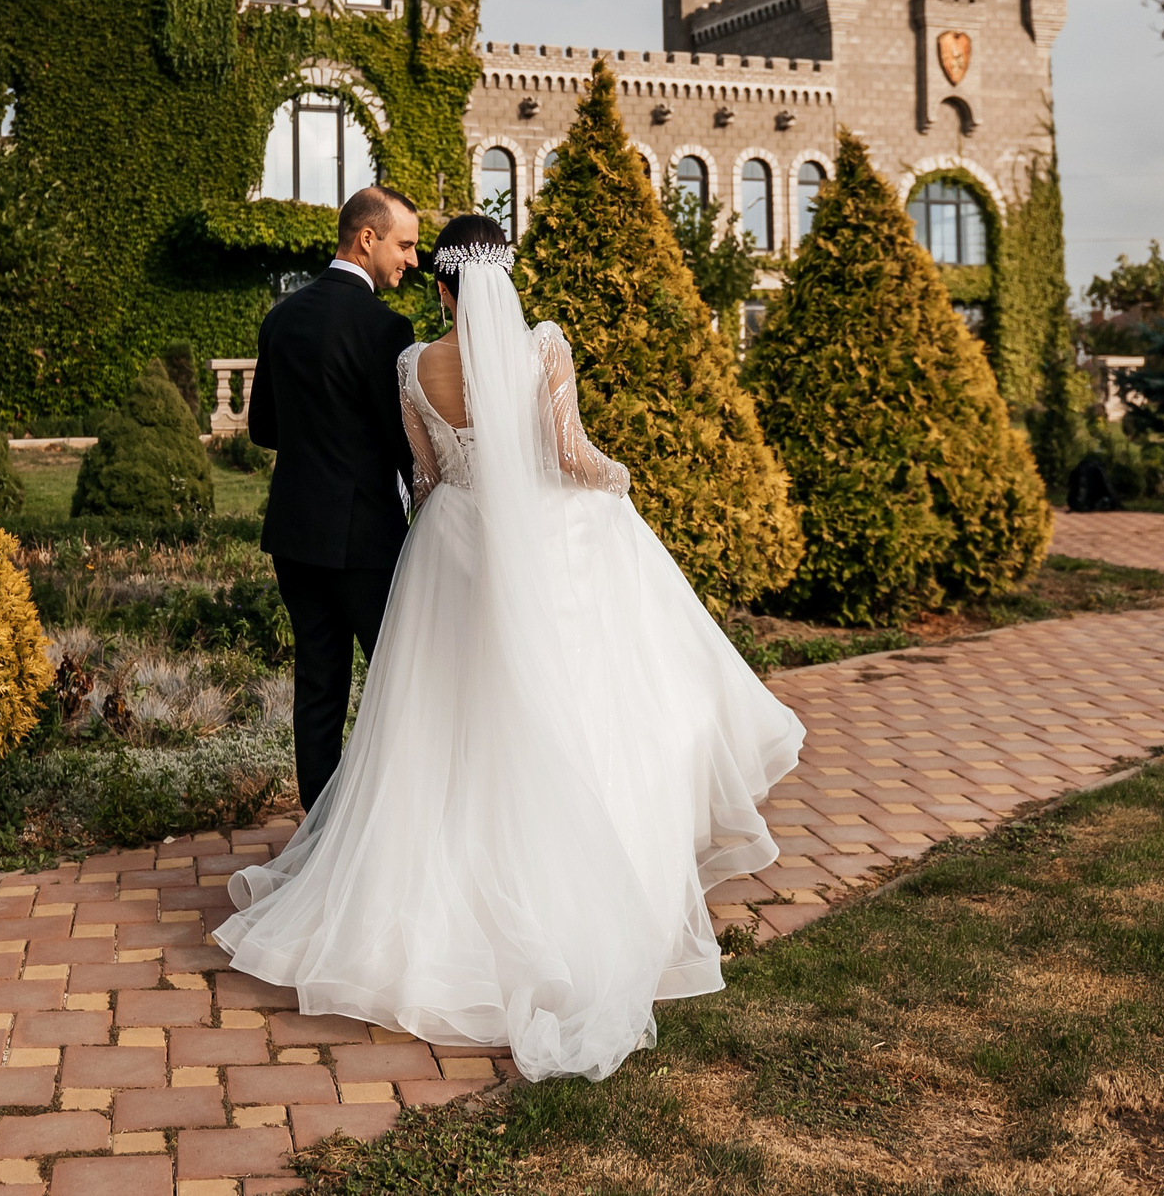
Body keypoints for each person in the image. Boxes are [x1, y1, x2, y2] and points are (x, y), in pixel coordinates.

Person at [217, 211, 807, 1085]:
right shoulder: (544, 348)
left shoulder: (412, 363)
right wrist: (620, 478)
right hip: (532, 543)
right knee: (551, 704)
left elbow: (424, 478)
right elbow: (569, 455)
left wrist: (448, 521)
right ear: (505, 275)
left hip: (443, 548)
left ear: (445, 286)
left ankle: (390, 871)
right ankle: (568, 873)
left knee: (436, 717)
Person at [245, 185, 421, 812]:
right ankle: (393, 825)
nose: (413, 260)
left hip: (295, 536)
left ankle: (320, 833)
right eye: (405, 245)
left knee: (318, 688)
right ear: (367, 239)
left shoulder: (281, 317)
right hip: (366, 540)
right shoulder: (386, 328)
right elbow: (403, 442)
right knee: (400, 685)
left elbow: (262, 428)